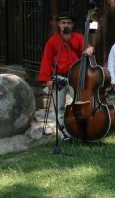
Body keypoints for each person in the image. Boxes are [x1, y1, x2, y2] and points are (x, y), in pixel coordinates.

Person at [38, 11, 94, 140]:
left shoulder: (79, 38)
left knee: (80, 103)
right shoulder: (52, 41)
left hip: (76, 78)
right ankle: (64, 133)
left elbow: (88, 47)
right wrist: (47, 80)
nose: (66, 25)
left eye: (69, 22)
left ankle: (81, 128)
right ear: (59, 24)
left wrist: (90, 48)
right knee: (60, 107)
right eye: (63, 23)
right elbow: (46, 61)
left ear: (73, 24)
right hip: (59, 78)